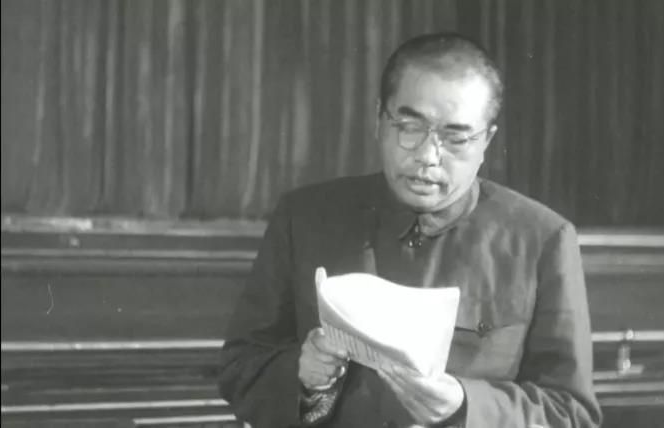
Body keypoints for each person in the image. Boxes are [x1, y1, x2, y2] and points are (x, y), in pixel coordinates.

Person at [218, 32, 602, 428]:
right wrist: (306, 378)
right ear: (379, 120)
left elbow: (571, 413)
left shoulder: (542, 239)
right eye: (409, 126)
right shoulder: (304, 218)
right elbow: (240, 367)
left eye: (456, 138)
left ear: (486, 141)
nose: (427, 156)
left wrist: (465, 406)